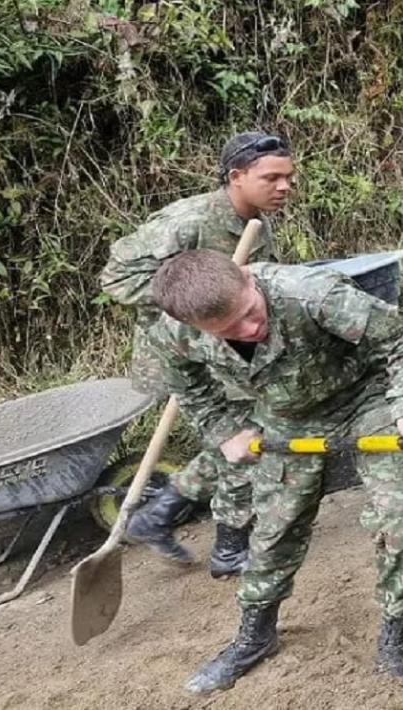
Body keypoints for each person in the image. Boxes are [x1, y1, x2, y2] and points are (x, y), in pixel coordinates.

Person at [146, 249, 403, 692]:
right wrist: (226, 430)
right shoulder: (176, 334)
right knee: (273, 531)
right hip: (287, 417)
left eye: (249, 313)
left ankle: (396, 634)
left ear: (247, 278)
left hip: (368, 401)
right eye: (231, 330)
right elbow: (188, 385)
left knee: (402, 521)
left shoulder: (311, 294)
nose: (249, 330)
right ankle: (255, 637)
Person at [100, 132, 293, 576]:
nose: (284, 187)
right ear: (237, 177)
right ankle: (225, 545)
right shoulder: (188, 221)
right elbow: (116, 278)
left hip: (229, 346)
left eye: (288, 178)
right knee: (241, 439)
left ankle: (163, 517)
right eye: (272, 178)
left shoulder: (258, 221)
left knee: (243, 438)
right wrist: (192, 307)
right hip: (184, 351)